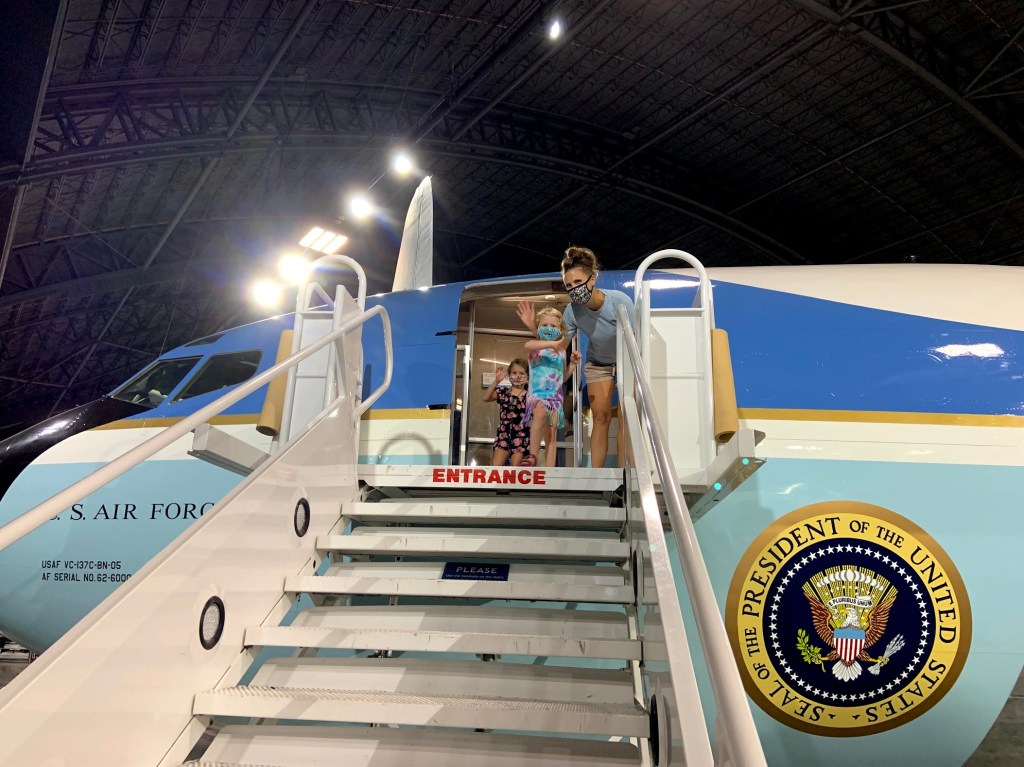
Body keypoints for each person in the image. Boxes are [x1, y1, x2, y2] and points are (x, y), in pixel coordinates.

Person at [517, 246, 634, 468]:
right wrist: (532, 327)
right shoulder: (572, 311)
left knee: (626, 418)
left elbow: (635, 340)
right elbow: (558, 347)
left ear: (593, 279)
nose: (574, 289)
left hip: (627, 360)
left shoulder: (619, 301)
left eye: (578, 282)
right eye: (569, 285)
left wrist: (630, 370)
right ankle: (598, 475)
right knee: (600, 417)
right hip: (598, 364)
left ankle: (623, 475)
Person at [520, 307, 581, 467]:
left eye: (553, 326)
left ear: (560, 330)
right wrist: (553, 343)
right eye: (545, 325)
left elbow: (562, 377)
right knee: (539, 415)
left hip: (555, 397)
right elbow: (527, 344)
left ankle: (550, 467)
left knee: (551, 433)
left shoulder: (561, 353)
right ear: (538, 327)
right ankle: (532, 456)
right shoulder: (536, 346)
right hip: (537, 394)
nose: (549, 328)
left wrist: (572, 365)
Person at [482, 358, 530, 466]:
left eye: (521, 373)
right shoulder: (504, 392)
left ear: (527, 376)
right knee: (496, 468)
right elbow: (486, 397)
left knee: (515, 470)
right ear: (509, 375)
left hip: (521, 436)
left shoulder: (529, 396)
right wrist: (496, 381)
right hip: (503, 435)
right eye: (514, 373)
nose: (517, 376)